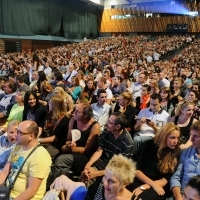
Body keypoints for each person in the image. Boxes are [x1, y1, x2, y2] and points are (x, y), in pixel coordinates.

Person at [127, 122, 180, 200]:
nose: (176, 141)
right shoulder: (147, 145)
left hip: (158, 185)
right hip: (140, 178)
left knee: (144, 198)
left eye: (177, 138)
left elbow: (165, 179)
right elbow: (136, 169)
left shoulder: (175, 152)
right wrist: (144, 186)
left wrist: (145, 186)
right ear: (164, 137)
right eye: (172, 138)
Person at [0, 120, 51, 200]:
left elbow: (31, 191)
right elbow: (4, 173)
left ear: (31, 136)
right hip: (9, 191)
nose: (16, 135)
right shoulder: (18, 147)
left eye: (20, 133)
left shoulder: (40, 156)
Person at [50, 103, 100, 181]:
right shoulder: (73, 120)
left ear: (86, 115)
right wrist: (69, 144)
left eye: (77, 112)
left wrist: (71, 148)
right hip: (71, 150)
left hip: (83, 155)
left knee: (60, 160)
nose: (74, 113)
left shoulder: (95, 126)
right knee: (63, 169)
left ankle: (54, 186)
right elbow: (68, 140)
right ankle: (60, 187)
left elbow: (86, 150)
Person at [81, 112, 134, 187]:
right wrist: (87, 167)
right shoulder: (107, 131)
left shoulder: (127, 142)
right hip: (102, 162)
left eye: (110, 122)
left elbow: (119, 168)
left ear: (118, 126)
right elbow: (99, 150)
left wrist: (96, 173)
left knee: (90, 181)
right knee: (86, 175)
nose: (106, 123)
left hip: (114, 169)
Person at [170, 121, 200, 200]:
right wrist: (178, 196)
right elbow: (175, 177)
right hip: (181, 194)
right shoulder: (185, 152)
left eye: (196, 136)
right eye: (191, 135)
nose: (191, 139)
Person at [37, 95, 70, 160]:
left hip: (55, 145)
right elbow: (41, 126)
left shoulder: (65, 119)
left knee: (39, 155)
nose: (48, 104)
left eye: (50, 103)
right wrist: (37, 136)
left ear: (56, 105)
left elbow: (55, 138)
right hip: (45, 139)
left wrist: (38, 140)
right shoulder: (50, 113)